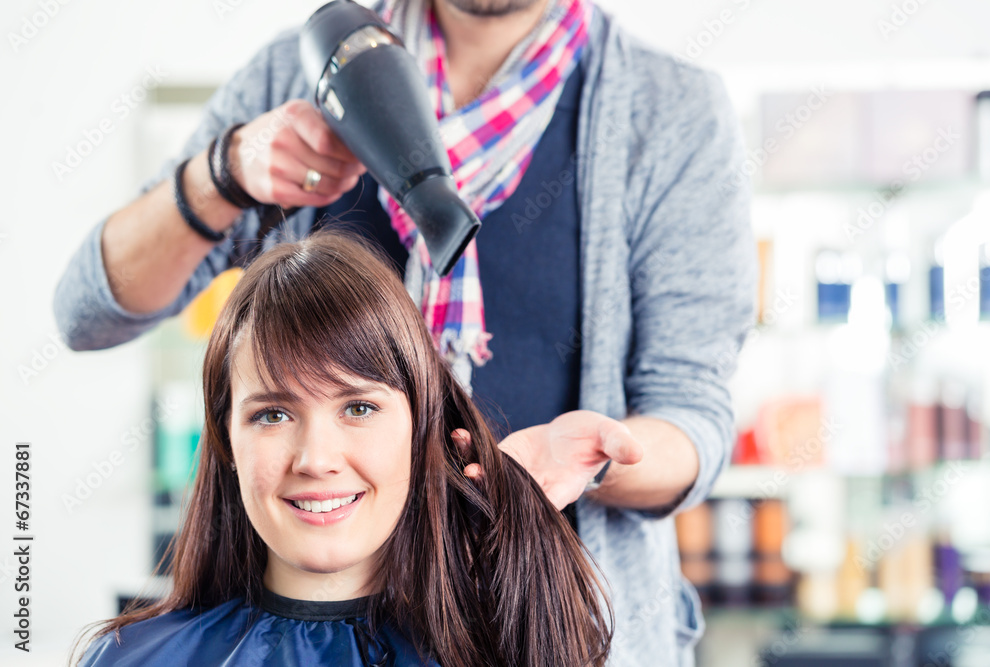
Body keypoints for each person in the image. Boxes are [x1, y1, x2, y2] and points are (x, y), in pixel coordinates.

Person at [54, 0, 756, 663]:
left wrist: (584, 459)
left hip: (542, 632)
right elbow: (87, 309)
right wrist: (224, 172)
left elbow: (691, 412)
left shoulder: (669, 112)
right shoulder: (301, 74)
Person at [73, 228, 613, 666]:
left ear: (420, 427)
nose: (316, 459)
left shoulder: (522, 650)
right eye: (273, 414)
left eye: (358, 408)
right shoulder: (132, 659)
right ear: (227, 440)